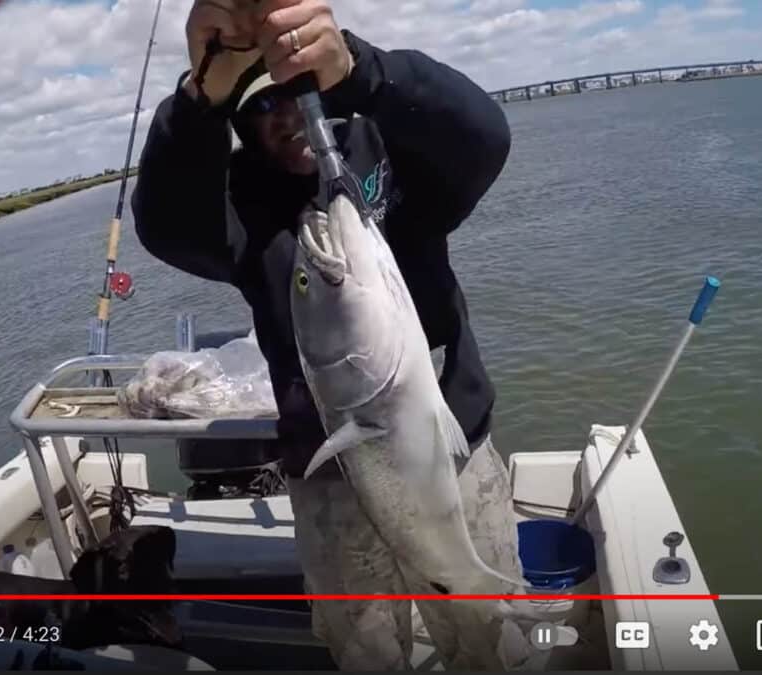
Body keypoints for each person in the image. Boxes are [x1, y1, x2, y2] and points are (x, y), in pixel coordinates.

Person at [133, 0, 538, 669]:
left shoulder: (393, 149)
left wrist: (361, 68)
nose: (286, 114)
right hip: (330, 481)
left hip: (453, 460)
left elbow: (485, 135)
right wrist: (199, 97)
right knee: (369, 654)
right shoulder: (243, 204)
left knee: (494, 638)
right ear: (242, 120)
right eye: (262, 105)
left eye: (297, 91)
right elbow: (165, 224)